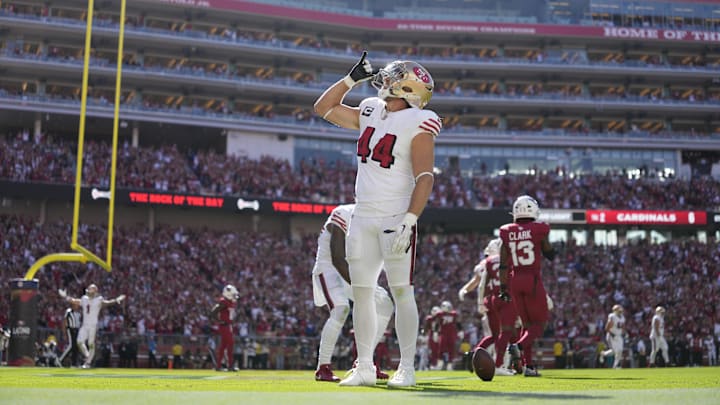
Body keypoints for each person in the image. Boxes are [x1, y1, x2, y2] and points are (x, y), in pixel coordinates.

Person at [314, 51, 440, 387]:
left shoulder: (418, 122)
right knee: (363, 293)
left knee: (401, 292)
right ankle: (365, 366)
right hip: (363, 214)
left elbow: (425, 176)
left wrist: (411, 219)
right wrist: (349, 80)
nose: (387, 79)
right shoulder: (370, 109)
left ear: (409, 90)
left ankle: (407, 368)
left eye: (397, 77)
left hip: (396, 216)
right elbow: (323, 109)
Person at [312, 203, 394, 382]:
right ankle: (323, 367)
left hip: (351, 273)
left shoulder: (375, 221)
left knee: (385, 304)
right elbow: (337, 256)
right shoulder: (343, 213)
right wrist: (361, 285)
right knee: (341, 310)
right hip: (330, 269)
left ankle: (365, 363)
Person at [498, 195, 555, 377]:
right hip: (532, 279)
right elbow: (549, 253)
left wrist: (503, 288)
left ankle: (528, 366)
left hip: (515, 281)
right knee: (539, 324)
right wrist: (550, 249)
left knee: (526, 324)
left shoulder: (506, 231)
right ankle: (518, 346)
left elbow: (503, 264)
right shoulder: (539, 229)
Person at [458, 238, 518, 376]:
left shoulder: (484, 264)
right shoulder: (506, 260)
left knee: (493, 336)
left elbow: (478, 283)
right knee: (504, 335)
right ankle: (499, 364)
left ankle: (476, 355)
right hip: (503, 300)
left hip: (488, 303)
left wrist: (465, 290)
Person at [58, 284, 126, 368]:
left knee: (90, 344)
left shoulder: (98, 299)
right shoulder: (84, 299)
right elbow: (75, 301)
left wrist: (116, 300)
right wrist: (66, 297)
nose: (89, 291)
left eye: (91, 289)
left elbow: (106, 303)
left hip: (93, 326)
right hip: (85, 325)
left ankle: (88, 363)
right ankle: (87, 356)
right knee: (79, 341)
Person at [209, 284, 239, 371]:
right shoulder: (223, 302)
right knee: (230, 344)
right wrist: (219, 321)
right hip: (224, 326)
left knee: (223, 346)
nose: (234, 296)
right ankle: (230, 365)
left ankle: (218, 366)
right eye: (233, 294)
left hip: (228, 325)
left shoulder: (230, 302)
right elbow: (213, 312)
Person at [600, 304, 626, 368]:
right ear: (615, 311)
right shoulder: (612, 317)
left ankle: (615, 365)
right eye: (619, 310)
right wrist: (612, 334)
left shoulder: (622, 317)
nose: (620, 311)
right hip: (612, 335)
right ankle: (603, 354)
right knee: (615, 351)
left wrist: (624, 333)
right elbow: (606, 328)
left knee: (620, 350)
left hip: (619, 335)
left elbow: (622, 326)